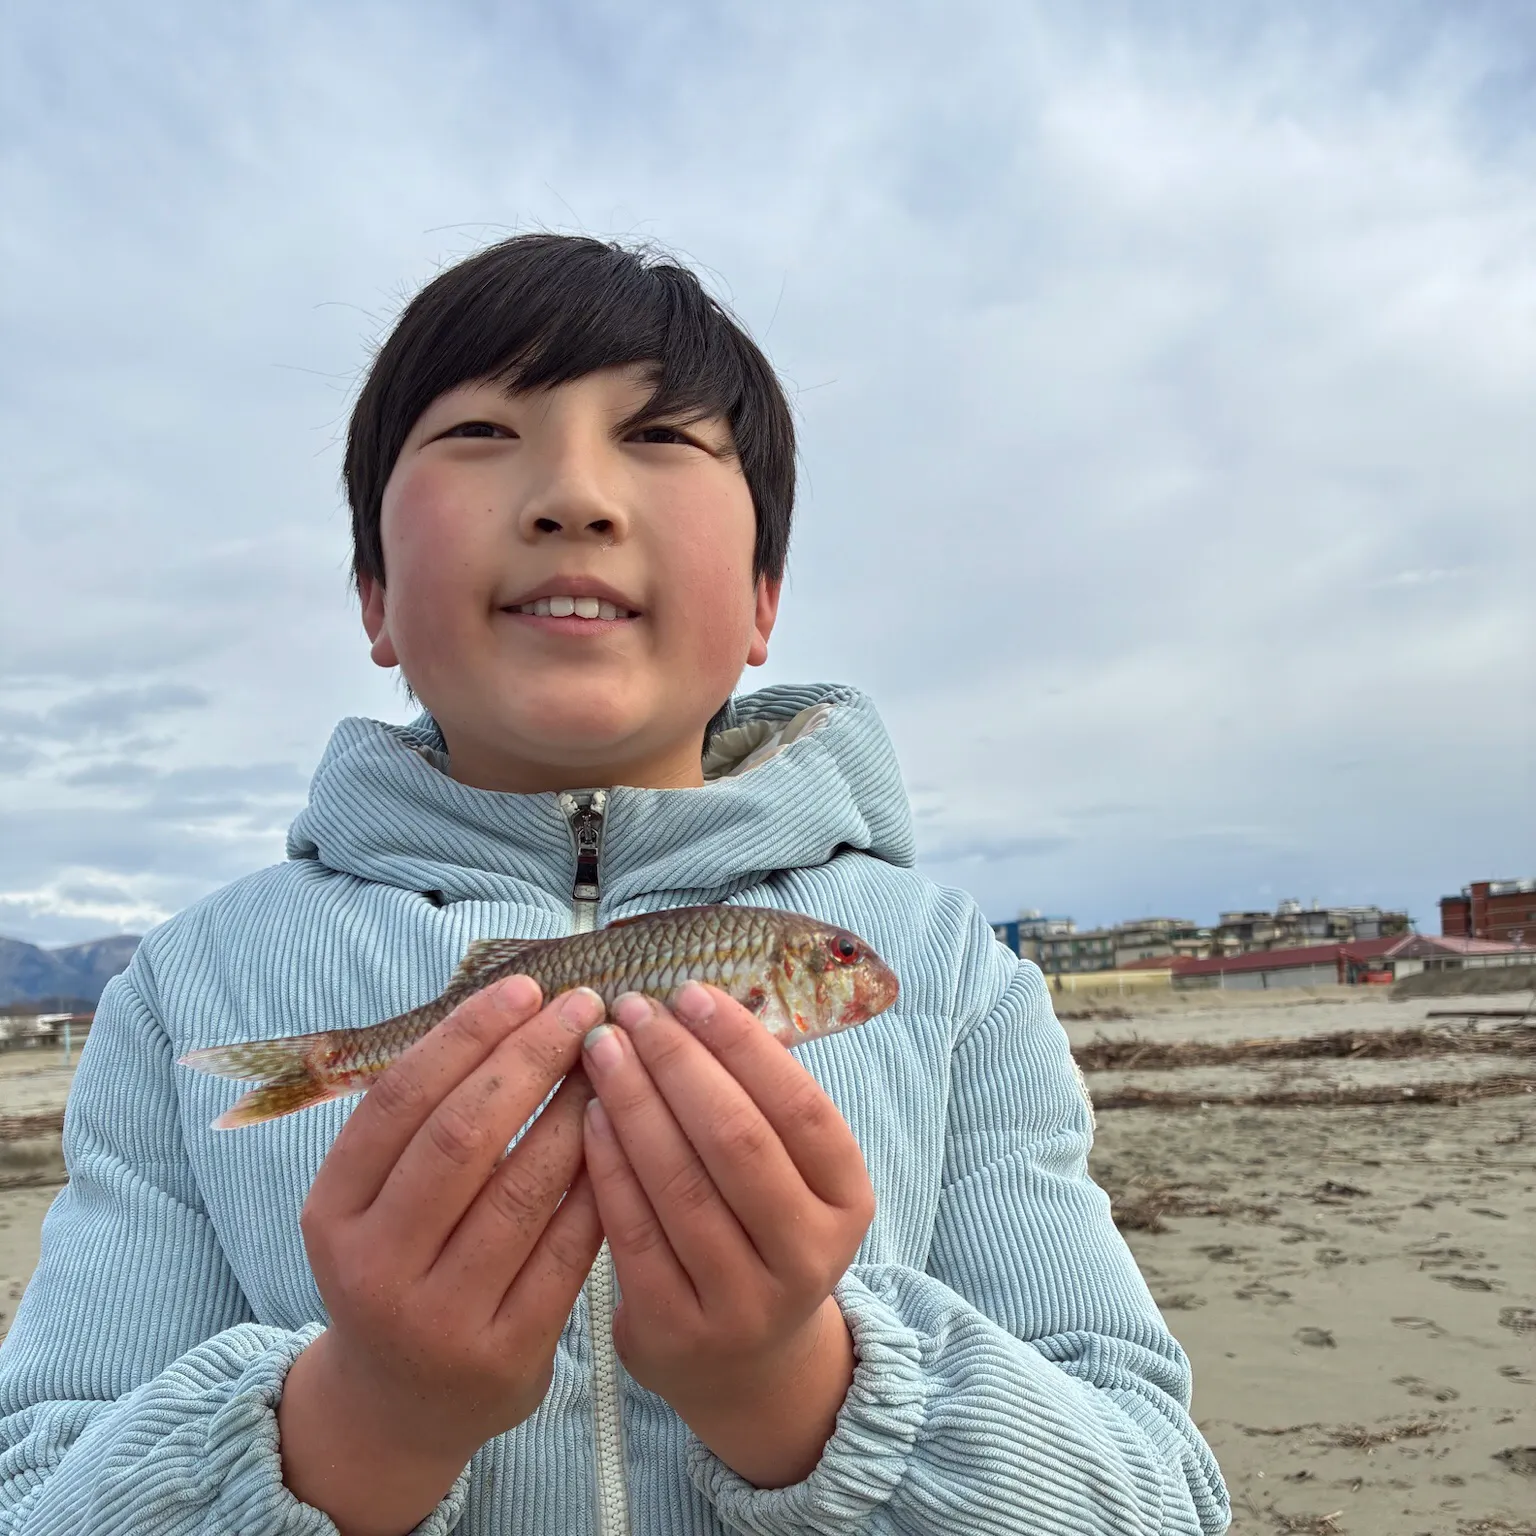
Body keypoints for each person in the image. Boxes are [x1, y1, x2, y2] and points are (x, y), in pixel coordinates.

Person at [0, 234, 1230, 1536]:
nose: (574, 495)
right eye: (480, 433)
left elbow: (1160, 1494)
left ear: (763, 603)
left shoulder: (955, 972)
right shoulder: (189, 988)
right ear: (374, 598)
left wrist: (799, 1388)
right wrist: (363, 1422)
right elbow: (37, 1485)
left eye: (658, 439)